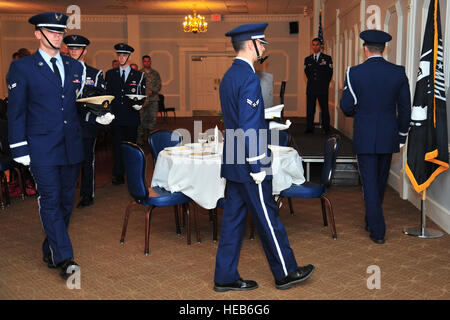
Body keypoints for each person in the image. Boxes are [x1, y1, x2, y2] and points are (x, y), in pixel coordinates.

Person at [214, 23, 315, 292]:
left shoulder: (229, 76)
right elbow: (248, 126)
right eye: (263, 43)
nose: (264, 47)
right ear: (251, 44)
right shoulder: (247, 77)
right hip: (250, 161)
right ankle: (286, 272)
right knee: (268, 217)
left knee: (234, 220)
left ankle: (224, 276)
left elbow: (238, 121)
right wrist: (258, 162)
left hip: (235, 156)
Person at [7, 12, 85, 279]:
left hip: (70, 146)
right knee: (50, 200)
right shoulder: (23, 67)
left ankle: (50, 247)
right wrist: (19, 148)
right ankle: (65, 258)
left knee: (65, 203)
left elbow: (77, 105)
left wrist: (98, 113)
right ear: (37, 34)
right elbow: (16, 111)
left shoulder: (74, 66)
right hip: (41, 148)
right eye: (51, 32)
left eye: (60, 32)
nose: (57, 36)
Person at [340, 30, 411, 244]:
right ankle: (372, 220)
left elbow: (346, 107)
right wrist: (401, 135)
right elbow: (405, 108)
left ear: (365, 49)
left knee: (369, 183)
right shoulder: (398, 72)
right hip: (389, 135)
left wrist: (360, 112)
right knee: (379, 182)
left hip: (365, 135)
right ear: (384, 49)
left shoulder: (354, 72)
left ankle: (377, 230)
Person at [63, 34, 114, 208]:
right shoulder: (61, 71)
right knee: (68, 162)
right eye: (70, 48)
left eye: (77, 48)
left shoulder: (95, 73)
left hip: (86, 123)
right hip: (66, 124)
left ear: (84, 51)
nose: (73, 51)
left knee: (86, 160)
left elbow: (100, 100)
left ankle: (87, 194)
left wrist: (101, 114)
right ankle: (66, 195)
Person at [105, 43, 146, 185]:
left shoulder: (139, 75)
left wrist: (139, 104)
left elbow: (142, 95)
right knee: (117, 148)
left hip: (131, 117)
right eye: (119, 55)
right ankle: (118, 174)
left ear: (129, 56)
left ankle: (132, 173)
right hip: (116, 118)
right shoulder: (110, 74)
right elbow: (107, 95)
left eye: (124, 55)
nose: (121, 58)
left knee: (131, 148)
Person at [304, 37, 333, 134]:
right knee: (310, 109)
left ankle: (326, 128)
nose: (315, 47)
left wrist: (324, 84)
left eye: (317, 44)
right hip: (311, 88)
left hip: (322, 88)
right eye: (313, 44)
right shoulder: (307, 59)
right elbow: (307, 73)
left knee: (324, 108)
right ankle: (309, 128)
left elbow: (329, 73)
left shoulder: (327, 58)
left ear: (320, 46)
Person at [137, 55, 161, 146]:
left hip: (153, 100)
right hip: (142, 100)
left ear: (150, 62)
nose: (147, 63)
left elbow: (159, 85)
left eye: (148, 61)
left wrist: (153, 90)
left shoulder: (155, 73)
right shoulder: (139, 73)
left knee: (152, 120)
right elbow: (137, 86)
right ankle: (140, 138)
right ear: (143, 62)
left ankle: (150, 138)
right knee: (141, 119)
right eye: (145, 61)